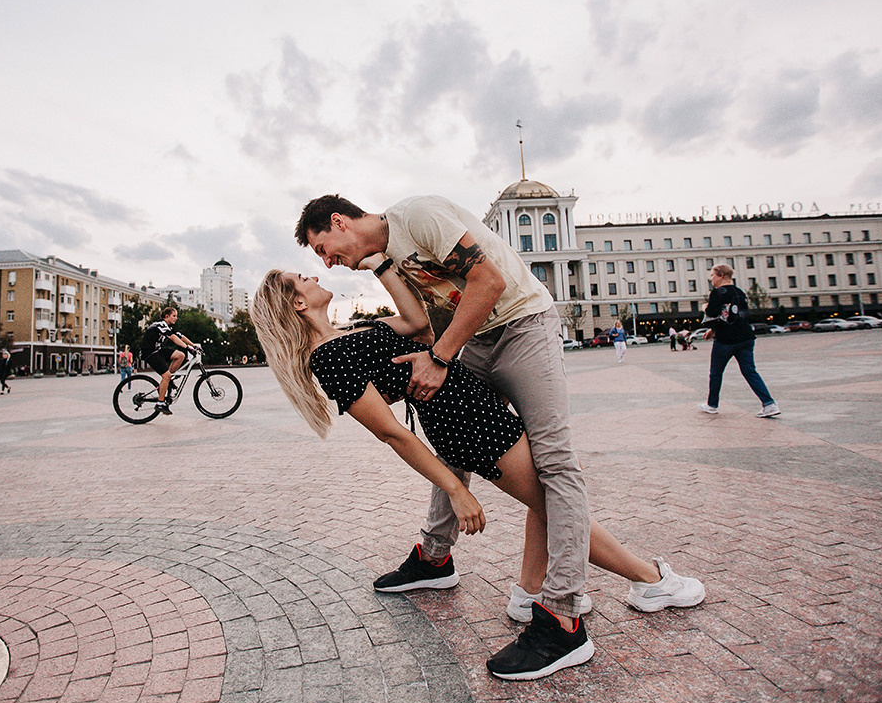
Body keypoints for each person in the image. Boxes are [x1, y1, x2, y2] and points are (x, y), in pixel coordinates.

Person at [253, 262, 705, 680]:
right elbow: (392, 433)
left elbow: (418, 325)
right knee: (558, 504)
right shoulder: (329, 359)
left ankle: (530, 593)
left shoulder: (351, 332)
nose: (314, 276)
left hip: (475, 408)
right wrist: (455, 488)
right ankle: (651, 580)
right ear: (298, 303)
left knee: (551, 499)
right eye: (303, 279)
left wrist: (383, 267)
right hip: (469, 425)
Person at [695, 264, 780, 417]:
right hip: (746, 338)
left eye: (712, 275)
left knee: (716, 372)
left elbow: (713, 313)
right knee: (750, 371)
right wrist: (713, 330)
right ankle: (769, 404)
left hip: (726, 340)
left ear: (721, 275)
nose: (711, 279)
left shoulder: (717, 293)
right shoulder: (740, 292)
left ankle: (712, 404)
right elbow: (733, 316)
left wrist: (705, 307)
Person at [139, 307, 198, 415]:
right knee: (166, 376)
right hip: (149, 353)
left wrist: (194, 346)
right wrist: (187, 348)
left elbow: (181, 336)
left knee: (180, 355)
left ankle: (169, 381)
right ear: (166, 316)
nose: (176, 318)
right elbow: (173, 338)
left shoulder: (168, 326)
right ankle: (160, 403)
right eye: (174, 316)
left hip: (157, 350)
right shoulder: (160, 325)